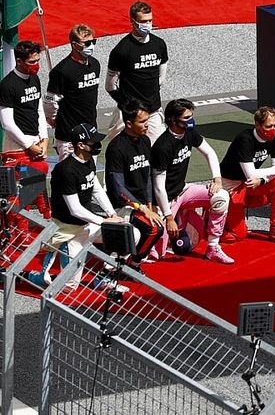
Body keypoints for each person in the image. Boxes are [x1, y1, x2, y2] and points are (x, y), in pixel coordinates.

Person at [149, 99, 234, 264]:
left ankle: (213, 247)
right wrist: (168, 217)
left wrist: (217, 179)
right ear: (174, 120)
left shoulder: (190, 133)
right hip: (164, 201)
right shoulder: (163, 146)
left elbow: (209, 152)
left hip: (183, 190)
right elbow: (158, 187)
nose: (191, 120)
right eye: (187, 117)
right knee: (156, 254)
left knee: (221, 196)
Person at [43, 123, 125, 291]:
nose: (98, 145)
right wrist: (104, 221)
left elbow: (97, 189)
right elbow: (75, 209)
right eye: (93, 142)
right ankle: (28, 277)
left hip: (88, 225)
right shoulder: (65, 170)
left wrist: (111, 215)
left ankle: (104, 277)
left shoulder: (88, 162)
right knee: (69, 286)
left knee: (128, 233)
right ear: (81, 145)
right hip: (69, 230)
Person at [219, 106, 275, 245]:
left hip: (251, 184)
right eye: (268, 126)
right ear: (257, 125)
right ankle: (213, 221)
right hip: (230, 186)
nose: (272, 129)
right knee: (238, 235)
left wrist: (262, 179)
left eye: (274, 125)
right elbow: (253, 173)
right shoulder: (244, 139)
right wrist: (272, 171)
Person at [104, 99, 166, 263]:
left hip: (142, 203)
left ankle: (133, 261)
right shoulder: (116, 148)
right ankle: (133, 264)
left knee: (159, 226)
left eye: (147, 120)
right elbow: (118, 188)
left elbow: (146, 177)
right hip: (122, 205)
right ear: (129, 123)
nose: (147, 125)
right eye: (142, 121)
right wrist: (143, 208)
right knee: (153, 228)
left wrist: (150, 202)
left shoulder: (145, 141)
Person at [0, 39, 50, 217]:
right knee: (18, 200)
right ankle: (17, 240)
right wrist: (29, 145)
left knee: (35, 193)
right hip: (17, 148)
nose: (36, 65)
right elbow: (7, 123)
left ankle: (31, 234)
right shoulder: (7, 85)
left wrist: (44, 138)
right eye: (32, 62)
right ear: (19, 61)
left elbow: (38, 109)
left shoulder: (34, 78)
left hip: (35, 142)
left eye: (37, 60)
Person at [106, 1, 169, 143]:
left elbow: (161, 78)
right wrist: (128, 106)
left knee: (158, 154)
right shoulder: (121, 50)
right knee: (119, 154)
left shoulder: (159, 44)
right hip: (127, 116)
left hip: (153, 112)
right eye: (143, 21)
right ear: (132, 21)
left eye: (150, 20)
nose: (148, 24)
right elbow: (110, 86)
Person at [45, 24, 101, 162]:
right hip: (69, 138)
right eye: (87, 43)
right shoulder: (62, 71)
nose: (91, 46)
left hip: (90, 131)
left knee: (89, 176)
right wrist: (54, 121)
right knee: (71, 178)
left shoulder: (95, 64)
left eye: (93, 42)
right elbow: (50, 102)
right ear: (74, 45)